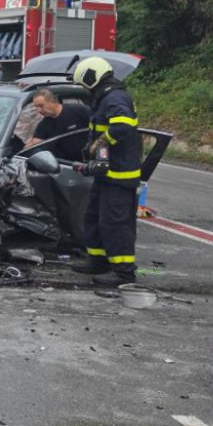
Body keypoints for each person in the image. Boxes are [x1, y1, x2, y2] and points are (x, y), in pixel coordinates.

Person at [70, 57, 142, 286]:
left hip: (119, 175)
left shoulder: (115, 97)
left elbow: (122, 127)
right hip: (106, 174)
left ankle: (123, 272)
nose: (83, 88)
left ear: (92, 78)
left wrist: (101, 142)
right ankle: (99, 260)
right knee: (94, 218)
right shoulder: (104, 98)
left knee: (116, 224)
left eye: (83, 84)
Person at [25, 88, 91, 161]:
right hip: (65, 165)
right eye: (36, 107)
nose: (38, 110)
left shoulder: (79, 111)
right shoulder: (43, 125)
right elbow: (34, 143)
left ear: (53, 101)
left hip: (88, 161)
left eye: (41, 106)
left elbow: (99, 123)